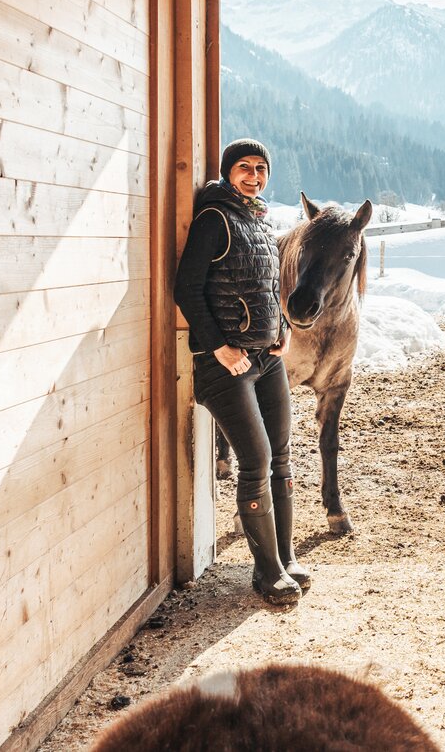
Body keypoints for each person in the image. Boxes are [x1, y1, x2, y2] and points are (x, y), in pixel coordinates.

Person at [174, 139, 311, 606]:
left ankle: (286, 557)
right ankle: (266, 572)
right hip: (225, 365)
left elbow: (270, 286)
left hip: (268, 359)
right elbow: (186, 289)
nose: (253, 175)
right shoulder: (214, 220)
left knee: (281, 456)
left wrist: (284, 327)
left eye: (260, 168)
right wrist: (219, 347)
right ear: (228, 172)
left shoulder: (259, 220)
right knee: (254, 460)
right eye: (244, 168)